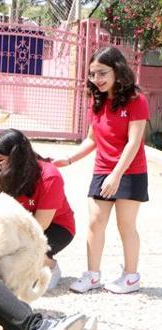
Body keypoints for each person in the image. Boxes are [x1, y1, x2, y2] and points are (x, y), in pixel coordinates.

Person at [53, 46, 149, 294]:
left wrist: (116, 175)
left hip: (130, 170)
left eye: (102, 73)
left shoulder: (136, 100)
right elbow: (92, 139)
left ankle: (131, 277)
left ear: (118, 70)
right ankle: (92, 275)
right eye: (93, 74)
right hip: (102, 169)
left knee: (126, 225)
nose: (97, 79)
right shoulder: (96, 100)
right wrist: (69, 159)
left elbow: (133, 142)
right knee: (95, 222)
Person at [0, 129, 76, 290]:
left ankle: (50, 267)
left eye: (0, 159)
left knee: (21, 250)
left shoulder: (49, 176)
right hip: (18, 224)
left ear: (16, 158)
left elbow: (40, 225)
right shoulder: (1, 171)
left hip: (55, 226)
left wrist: (8, 240)